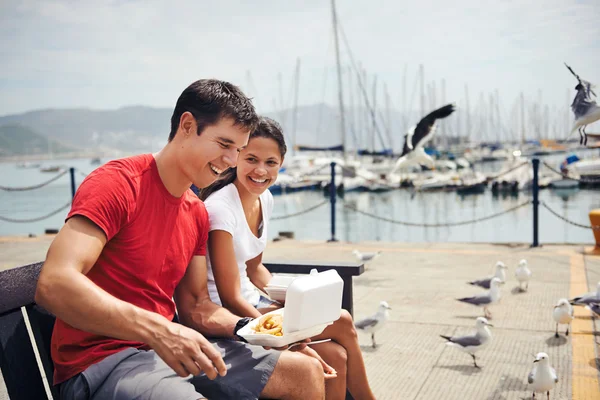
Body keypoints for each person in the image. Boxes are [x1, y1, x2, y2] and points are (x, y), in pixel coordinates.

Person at [35, 79, 327, 400]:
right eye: (224, 144)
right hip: (103, 362)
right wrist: (159, 329)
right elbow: (54, 284)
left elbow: (196, 307)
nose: (231, 160)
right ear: (188, 126)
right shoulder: (118, 184)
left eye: (238, 150)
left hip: (171, 350)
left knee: (304, 372)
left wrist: (255, 329)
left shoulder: (196, 213)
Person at [200, 117, 376, 400]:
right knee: (342, 320)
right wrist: (277, 335)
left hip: (253, 302)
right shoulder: (220, 209)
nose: (261, 170)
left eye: (271, 162)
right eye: (252, 159)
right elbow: (230, 296)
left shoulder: (263, 198)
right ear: (236, 158)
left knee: (336, 356)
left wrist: (295, 297)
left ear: (281, 163)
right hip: (228, 316)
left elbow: (255, 269)